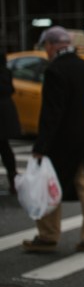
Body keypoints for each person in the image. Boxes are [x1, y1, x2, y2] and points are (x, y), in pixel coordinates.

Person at [22, 26, 84, 254]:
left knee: (48, 184)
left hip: (62, 140)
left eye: (46, 47)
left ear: (52, 45)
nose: (46, 52)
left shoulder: (55, 71)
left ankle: (48, 236)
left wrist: (41, 145)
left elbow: (52, 113)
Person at [0, 51, 21, 195]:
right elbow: (11, 89)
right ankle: (13, 179)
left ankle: (13, 179)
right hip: (6, 113)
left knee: (4, 148)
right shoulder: (6, 72)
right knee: (5, 147)